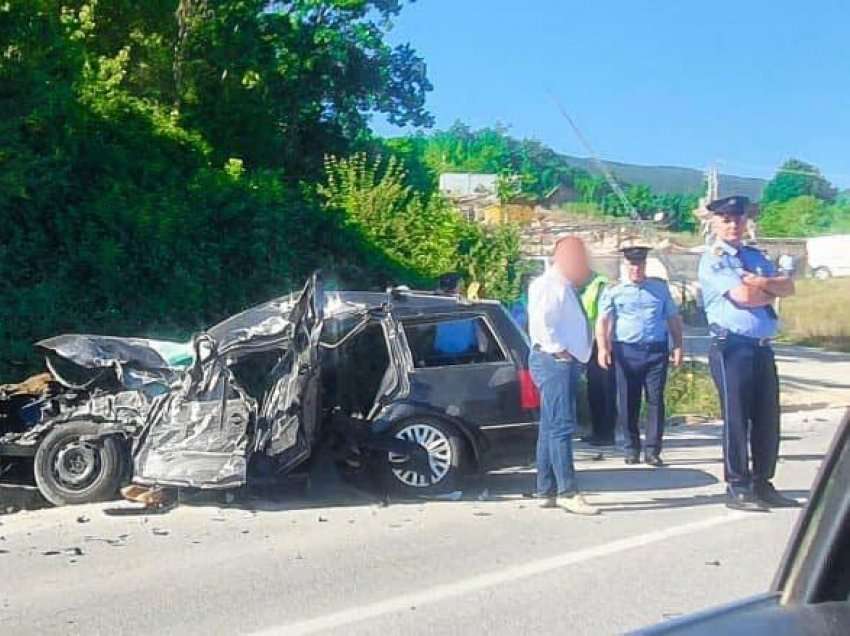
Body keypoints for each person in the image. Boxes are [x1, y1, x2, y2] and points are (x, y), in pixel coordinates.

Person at [698, 196, 799, 511]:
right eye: (726, 219)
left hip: (761, 347)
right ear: (714, 222)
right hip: (732, 346)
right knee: (737, 418)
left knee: (767, 417)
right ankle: (738, 485)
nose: (733, 225)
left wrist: (761, 282)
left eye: (738, 219)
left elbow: (788, 288)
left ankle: (762, 482)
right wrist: (765, 289)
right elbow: (742, 296)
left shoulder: (754, 257)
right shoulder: (714, 259)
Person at [527, 236, 598, 515]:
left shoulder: (563, 285)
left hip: (559, 361)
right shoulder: (548, 285)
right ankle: (568, 491)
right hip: (553, 361)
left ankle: (546, 489)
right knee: (562, 426)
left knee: (550, 426)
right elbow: (543, 323)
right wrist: (559, 352)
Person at [596, 246, 684, 466]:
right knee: (627, 401)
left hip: (656, 350)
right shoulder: (614, 290)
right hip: (626, 350)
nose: (636, 269)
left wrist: (678, 345)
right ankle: (631, 447)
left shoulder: (659, 289)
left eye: (640, 264)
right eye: (632, 265)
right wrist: (603, 348)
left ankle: (653, 450)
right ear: (625, 266)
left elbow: (673, 317)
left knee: (655, 400)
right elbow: (603, 320)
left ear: (645, 265)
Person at [577, 267, 616, 446]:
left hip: (601, 343)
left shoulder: (599, 285)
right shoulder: (583, 286)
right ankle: (597, 431)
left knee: (604, 389)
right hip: (589, 343)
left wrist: (604, 346)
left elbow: (605, 317)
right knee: (594, 390)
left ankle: (606, 433)